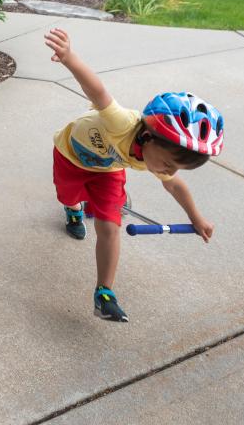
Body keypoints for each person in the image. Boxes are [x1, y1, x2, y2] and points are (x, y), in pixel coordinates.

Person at [45, 27, 223, 322]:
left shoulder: (156, 159)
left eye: (176, 168)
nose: (168, 171)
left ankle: (104, 294)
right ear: (149, 137)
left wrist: (196, 217)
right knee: (68, 195)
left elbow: (175, 186)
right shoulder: (123, 123)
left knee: (109, 228)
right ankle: (73, 208)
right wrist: (69, 58)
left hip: (109, 172)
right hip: (70, 156)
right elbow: (99, 93)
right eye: (168, 164)